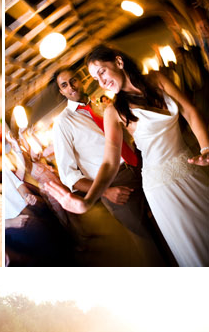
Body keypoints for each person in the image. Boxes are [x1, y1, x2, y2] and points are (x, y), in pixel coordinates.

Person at [80, 44, 209, 266]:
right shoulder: (114, 111)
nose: (101, 82)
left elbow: (189, 111)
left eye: (101, 71)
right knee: (195, 246)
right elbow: (110, 162)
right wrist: (90, 197)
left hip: (190, 168)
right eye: (96, 79)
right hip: (161, 187)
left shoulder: (157, 79)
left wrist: (206, 148)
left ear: (118, 62)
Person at [49, 67, 167, 261]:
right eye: (64, 85)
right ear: (61, 92)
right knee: (148, 242)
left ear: (83, 80)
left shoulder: (101, 105)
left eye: (74, 80)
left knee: (164, 227)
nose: (71, 87)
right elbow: (68, 176)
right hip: (114, 185)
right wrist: (105, 191)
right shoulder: (63, 123)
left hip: (141, 170)